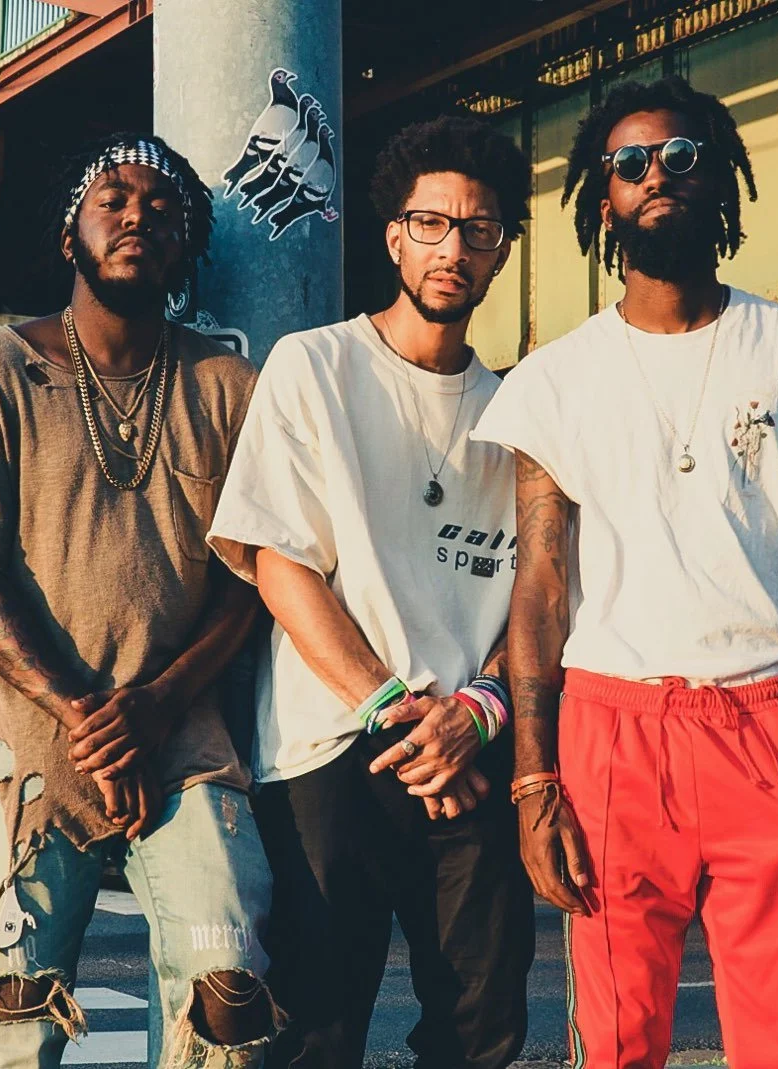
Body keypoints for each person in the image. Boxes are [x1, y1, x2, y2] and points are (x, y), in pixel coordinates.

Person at [473, 77, 778, 1069]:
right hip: (613, 735)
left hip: (767, 723)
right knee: (617, 1040)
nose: (654, 174)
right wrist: (535, 780)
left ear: (721, 179)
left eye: (679, 156)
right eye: (628, 163)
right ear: (601, 197)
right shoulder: (552, 380)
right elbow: (538, 587)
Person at [0, 133, 280, 1069]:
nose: (137, 217)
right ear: (70, 232)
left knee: (226, 1003)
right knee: (14, 1021)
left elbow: (252, 575)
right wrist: (87, 713)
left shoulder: (227, 386)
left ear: (187, 248)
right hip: (34, 746)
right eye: (112, 198)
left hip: (185, 734)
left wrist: (155, 708)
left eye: (163, 210)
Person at [207, 115, 536, 1069]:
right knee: (317, 1026)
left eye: (478, 230)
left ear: (502, 250)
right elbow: (281, 562)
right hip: (335, 746)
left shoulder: (517, 412)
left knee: (480, 1025)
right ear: (394, 237)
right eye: (431, 224)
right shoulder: (317, 366)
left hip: (468, 749)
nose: (453, 248)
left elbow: (540, 595)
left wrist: (477, 707)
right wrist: (396, 708)